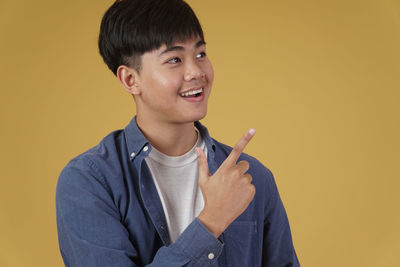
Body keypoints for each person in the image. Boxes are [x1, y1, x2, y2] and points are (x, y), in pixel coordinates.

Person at [56, 0, 300, 266]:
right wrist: (211, 222)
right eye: (174, 59)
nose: (196, 72)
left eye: (201, 54)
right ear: (130, 80)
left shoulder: (252, 177)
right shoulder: (90, 181)